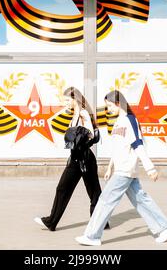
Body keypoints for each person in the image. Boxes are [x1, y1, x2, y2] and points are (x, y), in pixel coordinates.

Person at [75, 90, 167, 246]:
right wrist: (110, 168)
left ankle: (92, 236)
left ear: (118, 103)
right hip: (121, 169)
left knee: (105, 200)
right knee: (141, 200)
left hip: (125, 170)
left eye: (109, 105)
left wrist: (150, 168)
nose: (108, 109)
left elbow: (137, 144)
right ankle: (165, 228)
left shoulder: (130, 120)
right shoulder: (118, 122)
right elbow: (118, 149)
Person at [34, 87, 109, 231]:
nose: (66, 103)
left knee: (65, 189)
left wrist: (80, 135)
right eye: (65, 101)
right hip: (77, 157)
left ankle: (51, 222)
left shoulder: (83, 113)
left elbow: (91, 135)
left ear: (76, 99)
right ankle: (102, 222)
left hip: (83, 158)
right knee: (93, 192)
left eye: (68, 100)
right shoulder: (75, 114)